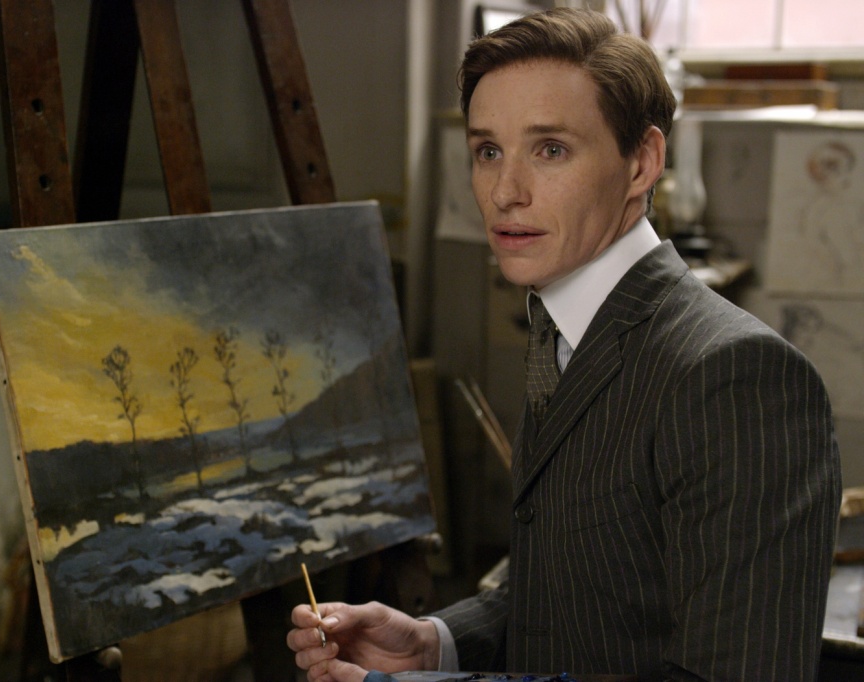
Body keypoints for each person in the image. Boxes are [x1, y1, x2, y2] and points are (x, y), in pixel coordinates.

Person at [288, 7, 841, 682]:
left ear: (642, 162)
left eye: (550, 150)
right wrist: (436, 645)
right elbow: (581, 592)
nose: (505, 192)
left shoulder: (735, 376)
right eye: (488, 151)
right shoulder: (565, 326)